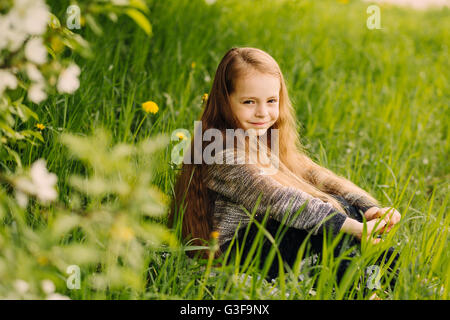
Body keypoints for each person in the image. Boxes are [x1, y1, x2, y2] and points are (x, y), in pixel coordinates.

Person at [168, 47, 401, 290]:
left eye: (271, 101)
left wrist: (369, 208)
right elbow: (279, 199)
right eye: (249, 102)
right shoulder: (221, 152)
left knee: (347, 214)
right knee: (333, 230)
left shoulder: (263, 137)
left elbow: (313, 175)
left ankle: (380, 288)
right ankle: (361, 291)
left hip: (267, 231)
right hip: (235, 251)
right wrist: (353, 227)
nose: (263, 112)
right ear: (225, 100)